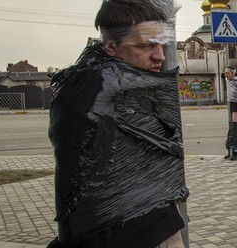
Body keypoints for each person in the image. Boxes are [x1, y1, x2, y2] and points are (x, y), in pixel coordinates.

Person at [47, 0, 188, 247]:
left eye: (162, 44)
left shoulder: (134, 84)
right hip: (131, 236)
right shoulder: (93, 92)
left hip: (157, 224)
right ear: (111, 45)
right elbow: (83, 189)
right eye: (147, 45)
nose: (160, 56)